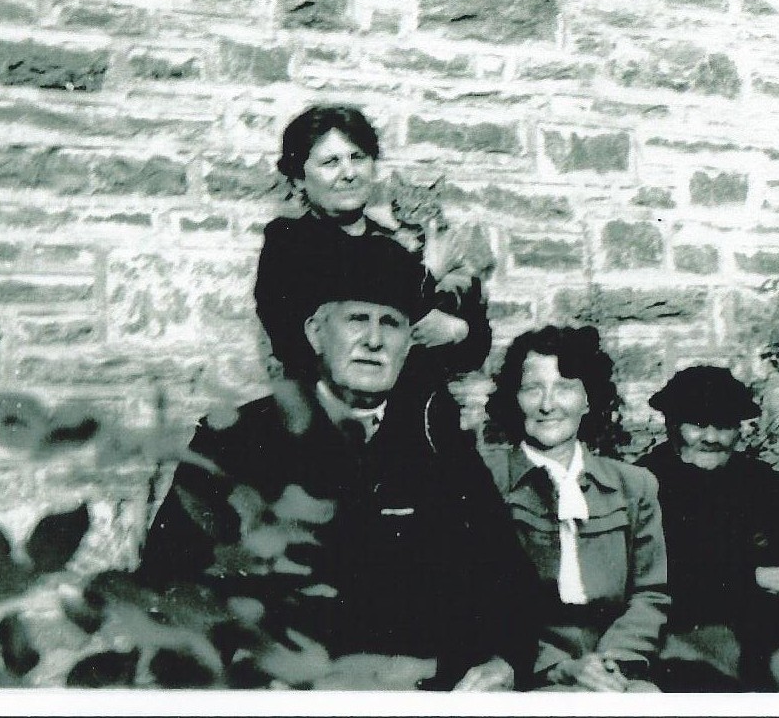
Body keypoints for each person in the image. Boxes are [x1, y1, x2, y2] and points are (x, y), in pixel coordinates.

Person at [139, 239, 536, 690]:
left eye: (391, 324)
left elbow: (508, 580)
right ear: (316, 333)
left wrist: (505, 662)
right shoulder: (237, 440)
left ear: (408, 344)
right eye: (356, 320)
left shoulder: (437, 444)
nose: (373, 340)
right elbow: (170, 584)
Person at [640, 365, 779, 691]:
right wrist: (753, 578)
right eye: (698, 425)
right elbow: (653, 583)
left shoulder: (766, 483)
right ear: (672, 424)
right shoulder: (642, 487)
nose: (712, 438)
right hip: (691, 644)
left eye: (725, 426)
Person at [479, 326, 669, 692]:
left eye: (565, 387)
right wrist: (558, 667)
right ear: (513, 398)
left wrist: (611, 662)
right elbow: (478, 603)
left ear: (589, 398)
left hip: (617, 668)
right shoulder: (484, 481)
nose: (547, 404)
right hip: (527, 671)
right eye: (532, 388)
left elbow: (651, 593)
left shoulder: (635, 485)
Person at [254, 104, 491, 392]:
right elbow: (300, 347)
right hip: (330, 421)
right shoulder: (288, 242)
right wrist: (430, 273)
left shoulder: (395, 243)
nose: (349, 173)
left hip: (416, 421)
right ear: (298, 179)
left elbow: (475, 347)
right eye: (330, 162)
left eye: (358, 157)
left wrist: (458, 331)